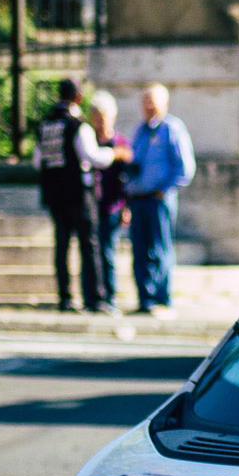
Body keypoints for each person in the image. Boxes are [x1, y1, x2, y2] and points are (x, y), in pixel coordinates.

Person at [33, 78, 128, 314]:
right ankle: (95, 298)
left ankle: (65, 297)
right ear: (79, 98)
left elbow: (37, 161)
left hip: (54, 195)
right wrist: (114, 154)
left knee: (62, 246)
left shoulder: (46, 125)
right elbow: (92, 156)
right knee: (89, 245)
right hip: (78, 194)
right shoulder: (78, 125)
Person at [126, 83, 196, 316]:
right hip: (138, 198)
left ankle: (162, 297)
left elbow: (185, 168)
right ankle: (145, 298)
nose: (148, 106)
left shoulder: (172, 129)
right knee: (140, 250)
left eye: (152, 102)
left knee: (159, 248)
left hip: (158, 199)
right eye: (145, 101)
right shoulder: (141, 131)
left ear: (164, 104)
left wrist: (164, 190)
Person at [89, 91, 131, 313]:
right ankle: (93, 297)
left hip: (113, 206)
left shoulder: (121, 143)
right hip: (92, 206)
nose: (100, 122)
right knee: (92, 253)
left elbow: (128, 179)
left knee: (108, 252)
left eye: (103, 117)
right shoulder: (89, 142)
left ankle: (111, 296)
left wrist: (127, 207)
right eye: (96, 117)